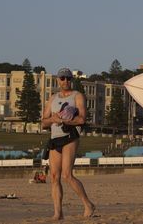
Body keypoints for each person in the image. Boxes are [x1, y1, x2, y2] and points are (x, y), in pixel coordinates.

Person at [41, 68, 95, 220]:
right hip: (55, 138)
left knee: (67, 175)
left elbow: (82, 119)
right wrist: (53, 119)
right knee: (54, 176)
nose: (65, 81)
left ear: (72, 80)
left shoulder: (77, 96)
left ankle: (88, 204)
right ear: (58, 80)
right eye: (62, 78)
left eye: (68, 78)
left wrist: (64, 120)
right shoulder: (52, 98)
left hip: (70, 137)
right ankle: (58, 213)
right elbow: (43, 123)